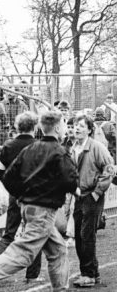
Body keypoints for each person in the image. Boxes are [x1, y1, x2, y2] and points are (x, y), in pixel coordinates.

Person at [0, 111, 78, 292]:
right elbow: (70, 180)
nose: (65, 129)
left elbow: (6, 175)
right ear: (57, 128)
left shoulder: (29, 149)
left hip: (27, 206)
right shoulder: (60, 151)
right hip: (44, 211)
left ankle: (61, 288)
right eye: (64, 125)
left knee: (58, 250)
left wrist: (21, 195)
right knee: (24, 252)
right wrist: (72, 190)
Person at [0, 111, 42, 285]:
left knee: (9, 234)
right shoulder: (39, 146)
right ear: (35, 127)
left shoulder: (8, 145)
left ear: (16, 126)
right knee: (34, 235)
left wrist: (11, 186)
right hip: (34, 197)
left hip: (15, 195)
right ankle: (32, 275)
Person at [70, 114, 113, 287]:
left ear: (89, 129)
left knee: (86, 235)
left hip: (92, 196)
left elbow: (109, 169)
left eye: (81, 125)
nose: (77, 128)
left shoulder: (97, 147)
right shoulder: (73, 147)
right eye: (75, 125)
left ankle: (88, 275)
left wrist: (97, 192)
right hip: (79, 196)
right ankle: (90, 273)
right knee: (80, 237)